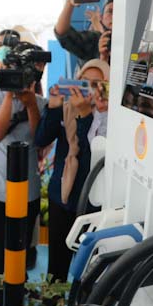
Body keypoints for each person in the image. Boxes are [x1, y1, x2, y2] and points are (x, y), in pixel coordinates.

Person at [0, 42, 47, 306]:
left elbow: (39, 140)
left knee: (21, 246)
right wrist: (9, 95)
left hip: (27, 188)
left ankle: (17, 292)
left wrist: (30, 105)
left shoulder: (39, 102)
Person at [34, 59, 110, 282]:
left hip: (92, 203)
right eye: (84, 83)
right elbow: (41, 139)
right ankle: (52, 302)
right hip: (62, 197)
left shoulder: (110, 117)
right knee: (56, 266)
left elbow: (90, 156)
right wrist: (53, 107)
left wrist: (86, 115)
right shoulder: (67, 108)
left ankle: (80, 304)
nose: (90, 90)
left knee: (87, 270)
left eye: (97, 84)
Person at [55, 0, 113, 64]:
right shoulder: (95, 40)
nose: (114, 16)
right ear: (101, 17)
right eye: (110, 11)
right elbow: (63, 34)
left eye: (119, 11)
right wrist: (69, 4)